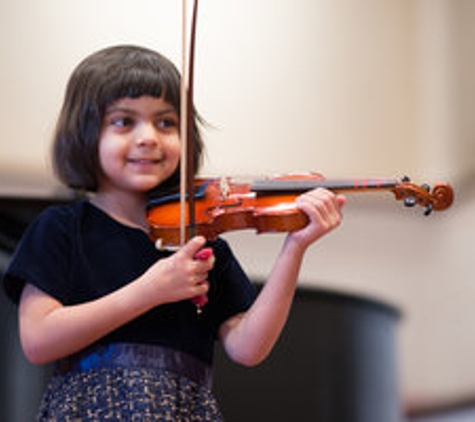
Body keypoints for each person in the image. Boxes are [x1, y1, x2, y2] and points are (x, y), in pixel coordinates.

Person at [2, 45, 345, 421]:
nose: (149, 137)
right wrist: (151, 290)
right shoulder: (61, 229)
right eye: (124, 121)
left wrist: (294, 247)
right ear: (85, 132)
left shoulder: (202, 244)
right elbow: (38, 340)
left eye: (166, 123)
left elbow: (249, 348)